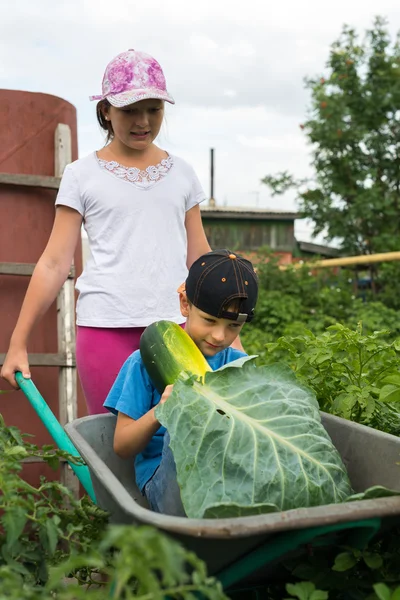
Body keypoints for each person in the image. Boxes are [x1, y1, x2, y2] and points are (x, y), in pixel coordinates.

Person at [1, 49, 211, 414]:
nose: (143, 121)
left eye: (154, 109)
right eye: (130, 110)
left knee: (182, 441)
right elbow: (54, 263)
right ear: (106, 111)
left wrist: (228, 329)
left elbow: (200, 259)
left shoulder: (182, 174)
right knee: (112, 448)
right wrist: (18, 343)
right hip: (104, 330)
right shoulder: (82, 175)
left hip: (178, 330)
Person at [104, 249, 258, 516]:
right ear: (185, 304)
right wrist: (161, 412)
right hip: (165, 485)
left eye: (233, 326)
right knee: (188, 427)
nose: (220, 335)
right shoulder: (143, 362)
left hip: (227, 482)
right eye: (209, 320)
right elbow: (122, 445)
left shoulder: (237, 365)